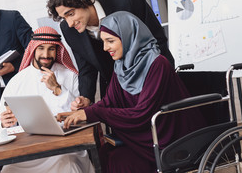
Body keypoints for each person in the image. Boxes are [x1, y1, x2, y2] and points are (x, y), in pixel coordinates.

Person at [58, 12, 206, 173]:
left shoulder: (158, 64)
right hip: (148, 136)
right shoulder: (121, 66)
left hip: (169, 139)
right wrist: (82, 112)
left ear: (129, 37)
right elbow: (109, 102)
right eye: (103, 41)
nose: (105, 48)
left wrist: (93, 113)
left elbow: (142, 113)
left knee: (122, 163)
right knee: (105, 153)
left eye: (110, 41)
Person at [47, 0, 175, 110]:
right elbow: (86, 68)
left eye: (71, 14)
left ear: (83, 0)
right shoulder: (68, 30)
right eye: (64, 18)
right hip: (115, 91)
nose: (69, 23)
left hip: (152, 79)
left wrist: (163, 78)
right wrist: (85, 97)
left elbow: (157, 38)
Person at [0, 26, 94, 173]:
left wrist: (58, 89)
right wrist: (4, 123)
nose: (46, 54)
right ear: (33, 49)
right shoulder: (17, 80)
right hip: (29, 148)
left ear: (57, 50)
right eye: (41, 48)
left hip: (64, 146)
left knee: (65, 166)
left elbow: (79, 117)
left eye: (51, 49)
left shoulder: (69, 75)